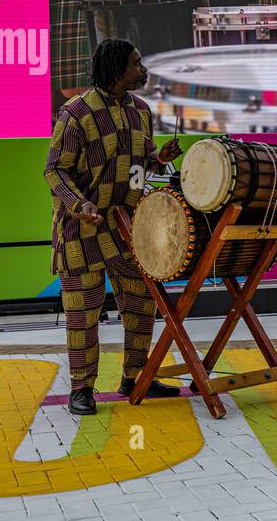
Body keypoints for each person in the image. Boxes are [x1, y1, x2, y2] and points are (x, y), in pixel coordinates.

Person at [43, 39, 184, 415]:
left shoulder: (141, 110)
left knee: (140, 305)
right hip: (82, 229)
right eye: (137, 64)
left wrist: (157, 159)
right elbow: (54, 169)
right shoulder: (76, 113)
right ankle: (82, 389)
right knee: (83, 312)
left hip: (126, 228)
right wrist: (79, 205)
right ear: (116, 70)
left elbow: (138, 159)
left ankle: (136, 376)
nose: (143, 69)